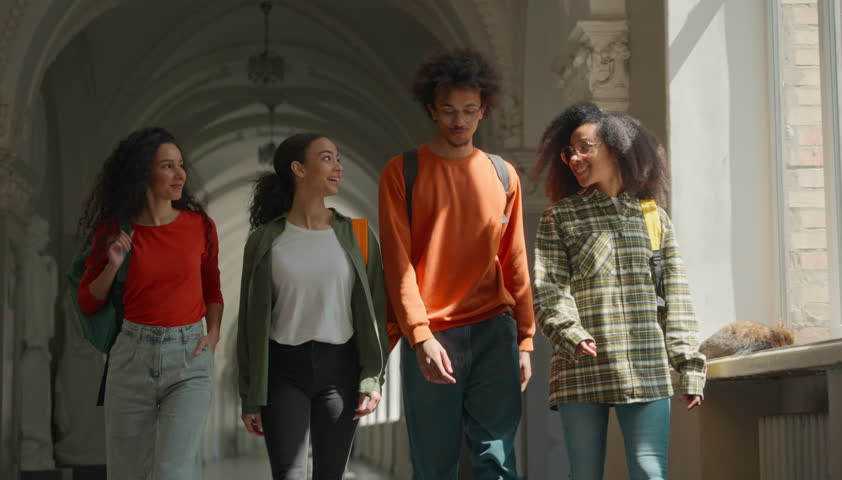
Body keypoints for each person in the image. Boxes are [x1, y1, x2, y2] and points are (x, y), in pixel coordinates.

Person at [378, 48, 535, 480]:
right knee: (434, 463)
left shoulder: (503, 175)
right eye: (448, 110)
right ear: (431, 109)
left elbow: (515, 260)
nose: (458, 120)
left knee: (497, 459)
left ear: (484, 110)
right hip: (432, 334)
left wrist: (525, 340)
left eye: (469, 110)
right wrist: (419, 335)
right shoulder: (402, 172)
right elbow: (398, 264)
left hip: (493, 331)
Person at [533, 102, 706, 480]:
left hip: (646, 365)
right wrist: (570, 333)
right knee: (584, 474)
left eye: (585, 147)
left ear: (614, 147)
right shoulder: (559, 218)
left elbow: (675, 296)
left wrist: (688, 366)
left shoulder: (653, 217)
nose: (575, 158)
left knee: (649, 471)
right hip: (581, 364)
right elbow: (549, 289)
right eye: (569, 151)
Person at [237, 133, 389, 480]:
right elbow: (250, 322)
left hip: (341, 369)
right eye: (327, 158)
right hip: (282, 371)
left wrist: (372, 377)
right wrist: (249, 395)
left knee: (330, 474)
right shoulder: (263, 240)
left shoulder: (360, 235)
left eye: (338, 158)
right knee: (287, 474)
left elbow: (377, 313)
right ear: (298, 169)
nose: (338, 167)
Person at [75, 126, 223, 480]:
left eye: (180, 165)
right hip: (131, 359)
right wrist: (112, 264)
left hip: (189, 359)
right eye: (168, 166)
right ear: (144, 173)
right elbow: (88, 300)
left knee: (173, 471)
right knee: (127, 473)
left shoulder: (199, 226)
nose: (180, 174)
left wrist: (213, 334)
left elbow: (212, 289)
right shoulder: (115, 232)